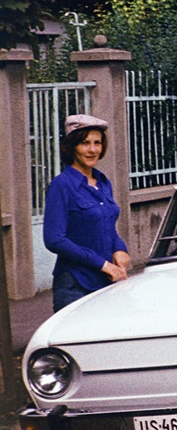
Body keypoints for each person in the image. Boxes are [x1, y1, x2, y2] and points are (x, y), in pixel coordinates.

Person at [44, 114, 131, 312]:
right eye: (85, 143)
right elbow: (54, 239)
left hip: (107, 282)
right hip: (76, 285)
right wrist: (102, 264)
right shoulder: (62, 185)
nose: (92, 150)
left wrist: (120, 249)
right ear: (72, 146)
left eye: (97, 143)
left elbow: (108, 227)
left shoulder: (103, 182)